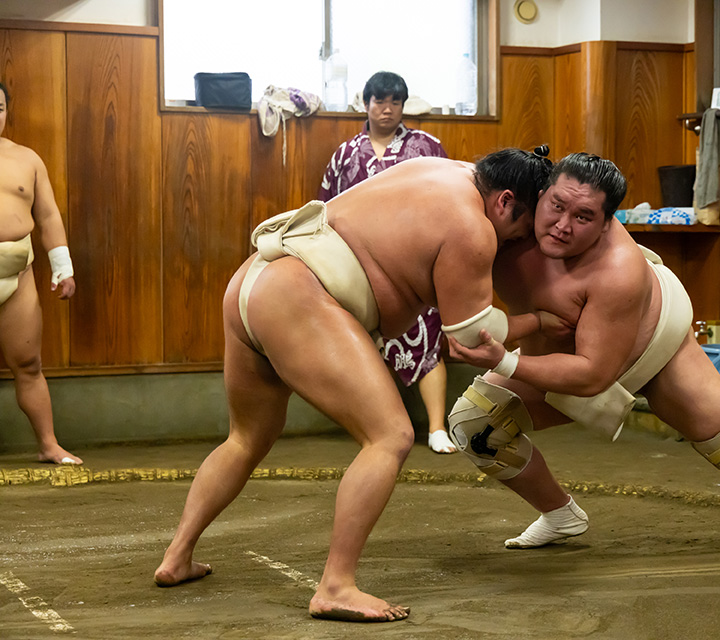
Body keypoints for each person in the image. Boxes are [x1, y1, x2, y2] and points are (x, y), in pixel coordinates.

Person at [153, 148, 553, 623]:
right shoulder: (474, 228)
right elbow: (469, 339)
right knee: (390, 436)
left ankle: (177, 557)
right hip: (299, 293)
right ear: (506, 202)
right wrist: (542, 320)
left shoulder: (446, 170)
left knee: (246, 437)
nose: (514, 243)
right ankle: (336, 585)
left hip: (253, 279)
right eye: (520, 232)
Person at [446, 152, 720, 558]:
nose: (563, 225)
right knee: (475, 426)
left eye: (583, 216)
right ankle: (560, 514)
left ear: (606, 223)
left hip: (653, 345)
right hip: (561, 347)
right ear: (540, 192)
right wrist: (524, 332)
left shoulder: (618, 272)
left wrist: (505, 361)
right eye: (557, 206)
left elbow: (592, 374)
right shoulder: (505, 214)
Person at [320, 71, 456, 454]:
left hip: (416, 262)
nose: (386, 109)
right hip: (357, 263)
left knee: (428, 339)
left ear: (402, 106)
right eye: (379, 101)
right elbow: (326, 206)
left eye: (394, 102)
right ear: (366, 104)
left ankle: (436, 428)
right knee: (359, 346)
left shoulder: (428, 147)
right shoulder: (346, 154)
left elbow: (451, 197)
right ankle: (373, 429)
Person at [0, 81, 82, 466]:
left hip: (17, 273)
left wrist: (62, 268)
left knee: (29, 364)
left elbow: (48, 216)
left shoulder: (27, 159)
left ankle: (49, 445)